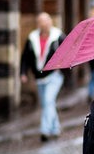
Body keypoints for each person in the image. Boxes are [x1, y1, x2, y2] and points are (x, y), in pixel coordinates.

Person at [20, 12, 66, 142]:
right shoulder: (32, 38)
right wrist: (23, 72)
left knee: (48, 101)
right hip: (39, 77)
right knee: (47, 103)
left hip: (54, 76)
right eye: (41, 22)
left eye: (46, 21)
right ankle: (56, 128)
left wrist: (62, 66)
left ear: (50, 22)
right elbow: (25, 57)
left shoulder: (58, 36)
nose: (44, 24)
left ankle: (44, 131)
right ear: (38, 24)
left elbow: (69, 51)